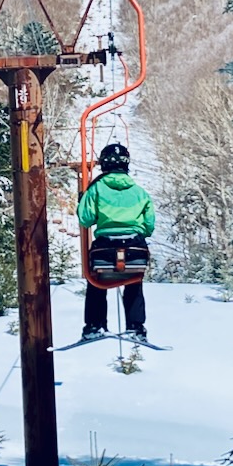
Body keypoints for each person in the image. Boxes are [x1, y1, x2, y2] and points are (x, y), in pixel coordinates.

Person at [77, 142, 155, 339]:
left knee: (96, 282)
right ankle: (136, 327)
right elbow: (149, 226)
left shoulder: (95, 189)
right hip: (135, 246)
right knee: (134, 282)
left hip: (105, 246)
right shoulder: (140, 192)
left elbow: (85, 219)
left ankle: (95, 325)